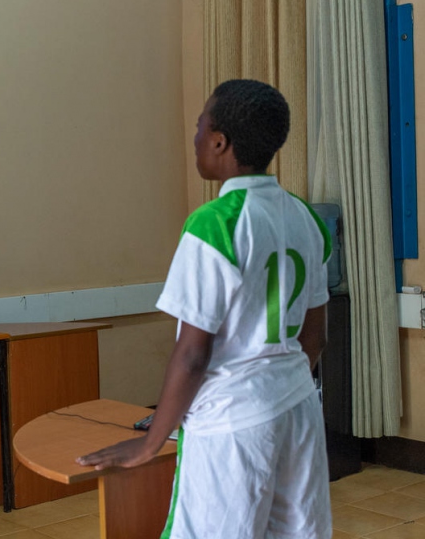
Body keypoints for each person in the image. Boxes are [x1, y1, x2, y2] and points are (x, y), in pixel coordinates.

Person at [77, 79, 333, 539]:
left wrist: (152, 441)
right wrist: (276, 386)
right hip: (297, 406)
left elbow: (194, 353)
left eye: (199, 126)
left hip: (231, 421)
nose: (194, 137)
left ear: (220, 142)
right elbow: (315, 336)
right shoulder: (305, 218)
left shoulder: (214, 224)